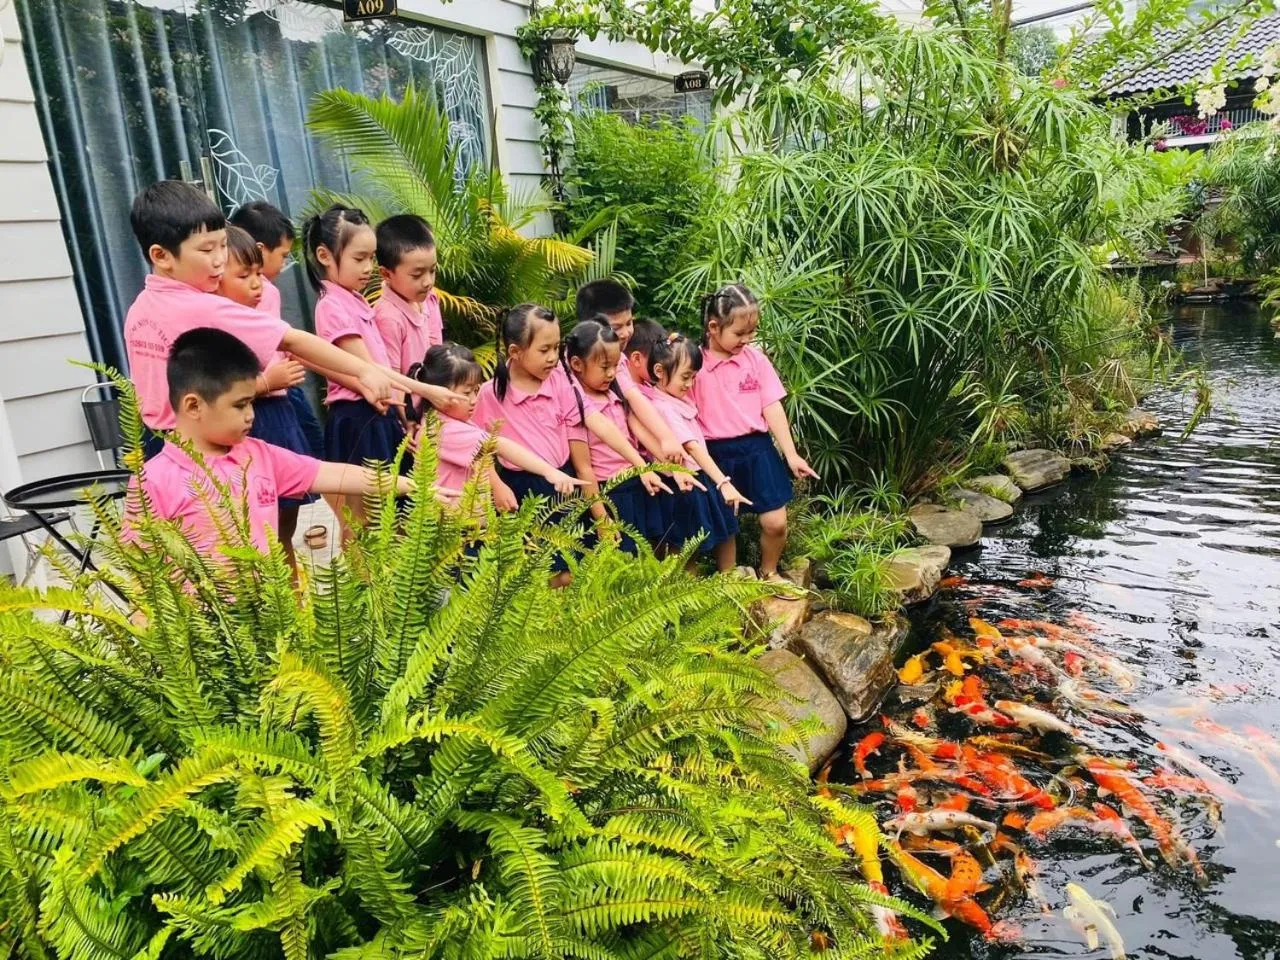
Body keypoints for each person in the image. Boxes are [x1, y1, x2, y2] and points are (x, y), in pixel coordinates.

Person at [123, 182, 396, 454]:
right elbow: (292, 340)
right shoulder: (204, 307)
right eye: (207, 250)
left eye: (222, 246)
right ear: (161, 256)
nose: (220, 260)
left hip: (156, 446)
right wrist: (364, 370)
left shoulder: (138, 310)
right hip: (200, 451)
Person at [132, 328, 413, 559]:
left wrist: (415, 487)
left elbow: (335, 474)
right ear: (194, 406)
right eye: (240, 405)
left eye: (251, 402)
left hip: (269, 615)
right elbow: (141, 565)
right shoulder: (153, 482)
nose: (251, 415)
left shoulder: (260, 456)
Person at [301, 203, 463, 543]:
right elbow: (371, 371)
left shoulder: (354, 300)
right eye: (359, 258)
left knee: (391, 521)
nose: (369, 268)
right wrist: (428, 392)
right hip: (358, 421)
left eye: (371, 258)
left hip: (380, 417)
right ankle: (365, 593)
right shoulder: (332, 305)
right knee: (363, 529)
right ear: (325, 255)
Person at [691, 283, 818, 585]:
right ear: (713, 327)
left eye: (752, 332)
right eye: (739, 333)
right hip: (715, 454)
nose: (747, 340)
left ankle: (769, 571)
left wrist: (790, 454)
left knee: (775, 522)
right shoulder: (694, 364)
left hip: (758, 450)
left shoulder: (755, 360)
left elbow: (772, 406)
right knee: (726, 526)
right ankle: (729, 579)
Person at [215, 226, 314, 569]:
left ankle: (292, 595)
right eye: (245, 275)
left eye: (258, 273)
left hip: (277, 413)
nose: (258, 283)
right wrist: (267, 382)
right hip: (252, 420)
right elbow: (220, 387)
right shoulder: (213, 323)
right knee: (254, 526)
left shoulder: (260, 302)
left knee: (286, 516)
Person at [405, 343, 579, 505]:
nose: (474, 400)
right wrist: (549, 472)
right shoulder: (444, 430)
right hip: (454, 529)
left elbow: (480, 457)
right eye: (466, 393)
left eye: (476, 390)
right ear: (438, 393)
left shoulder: (447, 423)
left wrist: (497, 486)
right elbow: (499, 444)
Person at [560, 320, 672, 555]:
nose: (612, 373)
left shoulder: (615, 395)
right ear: (577, 364)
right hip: (610, 494)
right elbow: (584, 469)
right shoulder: (577, 408)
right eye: (604, 367)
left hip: (637, 485)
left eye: (615, 365)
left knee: (651, 554)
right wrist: (601, 517)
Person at [642, 332, 750, 568]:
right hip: (684, 484)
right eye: (685, 377)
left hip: (701, 476)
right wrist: (723, 482)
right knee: (685, 545)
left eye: (693, 377)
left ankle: (728, 582)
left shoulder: (677, 399)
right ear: (659, 371)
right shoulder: (662, 407)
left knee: (725, 530)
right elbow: (691, 447)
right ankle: (684, 597)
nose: (690, 384)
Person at [228, 200, 324, 459]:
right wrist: (270, 379)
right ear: (259, 250)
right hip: (273, 394)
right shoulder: (263, 289)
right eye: (283, 255)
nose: (284, 263)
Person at [575, 280, 684, 463]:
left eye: (629, 323)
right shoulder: (571, 369)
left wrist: (667, 438)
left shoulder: (620, 361)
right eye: (616, 327)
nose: (626, 333)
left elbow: (634, 401)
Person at [374, 214, 443, 379]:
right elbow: (392, 380)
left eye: (432, 270)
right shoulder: (387, 317)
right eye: (417, 275)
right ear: (386, 273)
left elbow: (438, 353)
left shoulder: (430, 299)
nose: (428, 282)